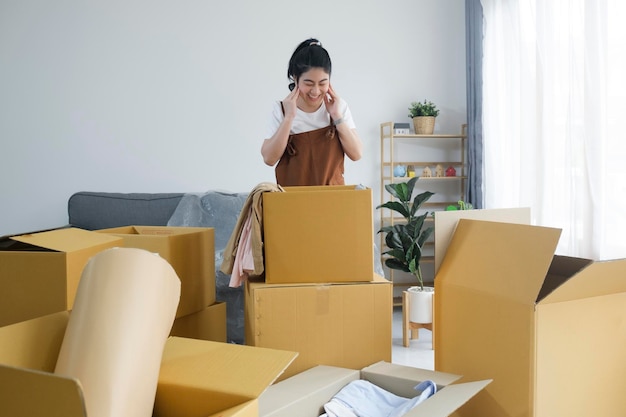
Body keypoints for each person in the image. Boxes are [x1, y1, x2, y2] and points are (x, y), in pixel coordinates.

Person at [261, 38, 363, 186]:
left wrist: (336, 116)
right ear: (296, 79)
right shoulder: (281, 109)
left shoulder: (339, 107)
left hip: (333, 202)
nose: (315, 91)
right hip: (292, 202)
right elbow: (269, 159)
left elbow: (357, 153)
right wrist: (289, 117)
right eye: (308, 83)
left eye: (323, 83)